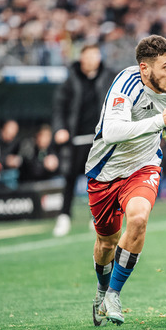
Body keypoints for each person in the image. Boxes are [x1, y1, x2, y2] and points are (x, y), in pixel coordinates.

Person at [88, 35, 166, 326]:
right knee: (106, 243)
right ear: (144, 68)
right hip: (104, 172)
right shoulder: (125, 84)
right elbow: (112, 132)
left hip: (143, 167)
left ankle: (113, 294)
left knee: (138, 218)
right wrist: (161, 122)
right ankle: (101, 290)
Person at [51, 44, 117, 237]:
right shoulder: (71, 80)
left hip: (100, 139)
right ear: (81, 59)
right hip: (76, 138)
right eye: (88, 56)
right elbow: (59, 107)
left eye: (95, 56)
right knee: (70, 178)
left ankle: (98, 217)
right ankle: (64, 217)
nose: (92, 60)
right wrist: (60, 129)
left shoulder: (109, 77)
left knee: (100, 179)